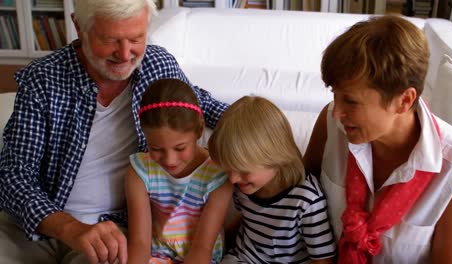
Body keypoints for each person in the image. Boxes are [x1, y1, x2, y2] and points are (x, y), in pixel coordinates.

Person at [0, 0, 228, 263]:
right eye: (109, 39)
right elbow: (13, 176)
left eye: (136, 38)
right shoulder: (42, 80)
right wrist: (68, 227)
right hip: (38, 226)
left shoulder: (159, 66)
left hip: (113, 231)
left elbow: (207, 108)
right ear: (79, 26)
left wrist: (273, 140)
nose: (124, 53)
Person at [303, 15, 452, 263]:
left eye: (351, 101)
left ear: (404, 101)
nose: (337, 111)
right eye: (334, 95)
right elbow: (293, 193)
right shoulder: (331, 125)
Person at [208, 96, 336, 264]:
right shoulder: (244, 187)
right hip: (243, 258)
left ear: (276, 157)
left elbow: (323, 259)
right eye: (228, 169)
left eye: (243, 170)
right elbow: (246, 220)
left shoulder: (307, 199)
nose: (232, 179)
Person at [126, 78, 232, 264]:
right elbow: (139, 243)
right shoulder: (140, 171)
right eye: (156, 149)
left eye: (180, 148)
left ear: (200, 130)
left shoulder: (217, 175)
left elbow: (202, 248)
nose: (169, 160)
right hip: (155, 257)